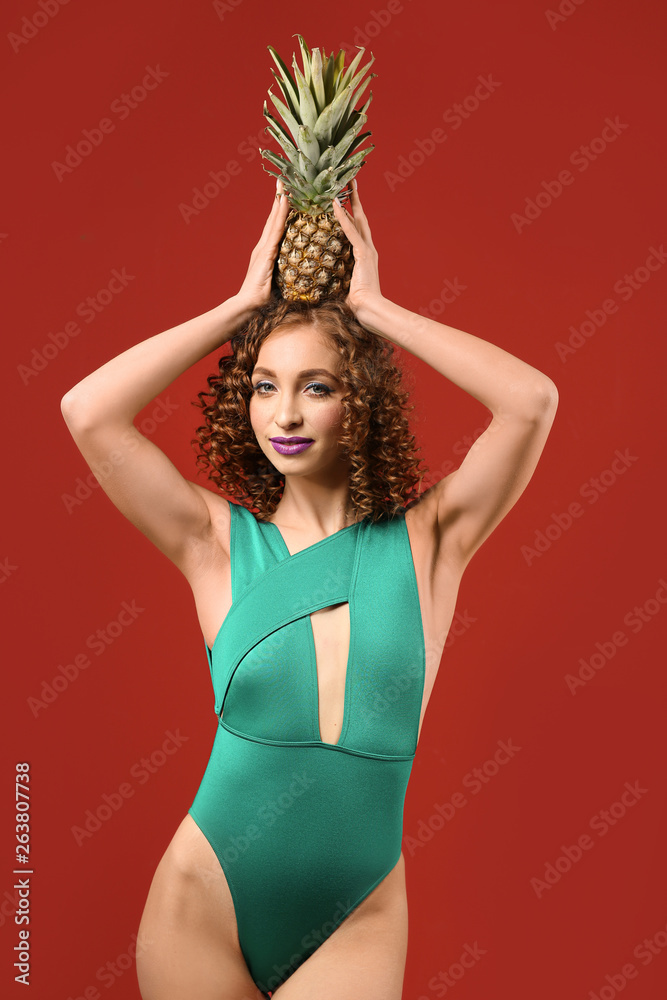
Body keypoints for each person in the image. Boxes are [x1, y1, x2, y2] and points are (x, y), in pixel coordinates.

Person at [60, 176, 558, 999]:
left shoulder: (430, 541)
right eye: (264, 384)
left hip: (354, 915)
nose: (283, 412)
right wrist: (241, 303)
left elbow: (530, 402)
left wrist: (377, 311)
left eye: (315, 386)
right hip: (204, 899)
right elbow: (88, 412)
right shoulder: (212, 542)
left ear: (357, 400)